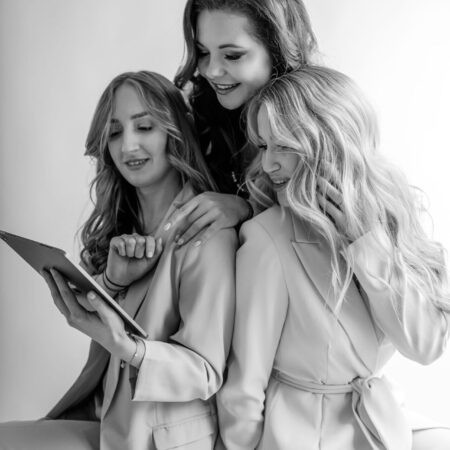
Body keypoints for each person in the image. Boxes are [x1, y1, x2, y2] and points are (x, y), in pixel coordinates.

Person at [0, 71, 237, 450]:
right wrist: (110, 284)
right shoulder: (125, 229)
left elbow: (205, 372)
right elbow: (107, 335)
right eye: (113, 133)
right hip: (104, 420)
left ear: (175, 132)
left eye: (144, 127)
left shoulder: (207, 234)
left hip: (157, 440)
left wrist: (127, 346)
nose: (127, 146)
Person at [216, 66, 450, 449]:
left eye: (284, 146)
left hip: (377, 421)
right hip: (300, 435)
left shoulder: (389, 218)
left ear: (330, 141)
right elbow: (244, 386)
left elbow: (424, 346)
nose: (268, 164)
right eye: (263, 146)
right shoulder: (268, 237)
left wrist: (367, 242)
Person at [168, 0, 319, 245]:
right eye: (203, 52)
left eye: (232, 55)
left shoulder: (318, 128)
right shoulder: (205, 111)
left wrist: (247, 209)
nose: (212, 71)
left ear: (277, 50)